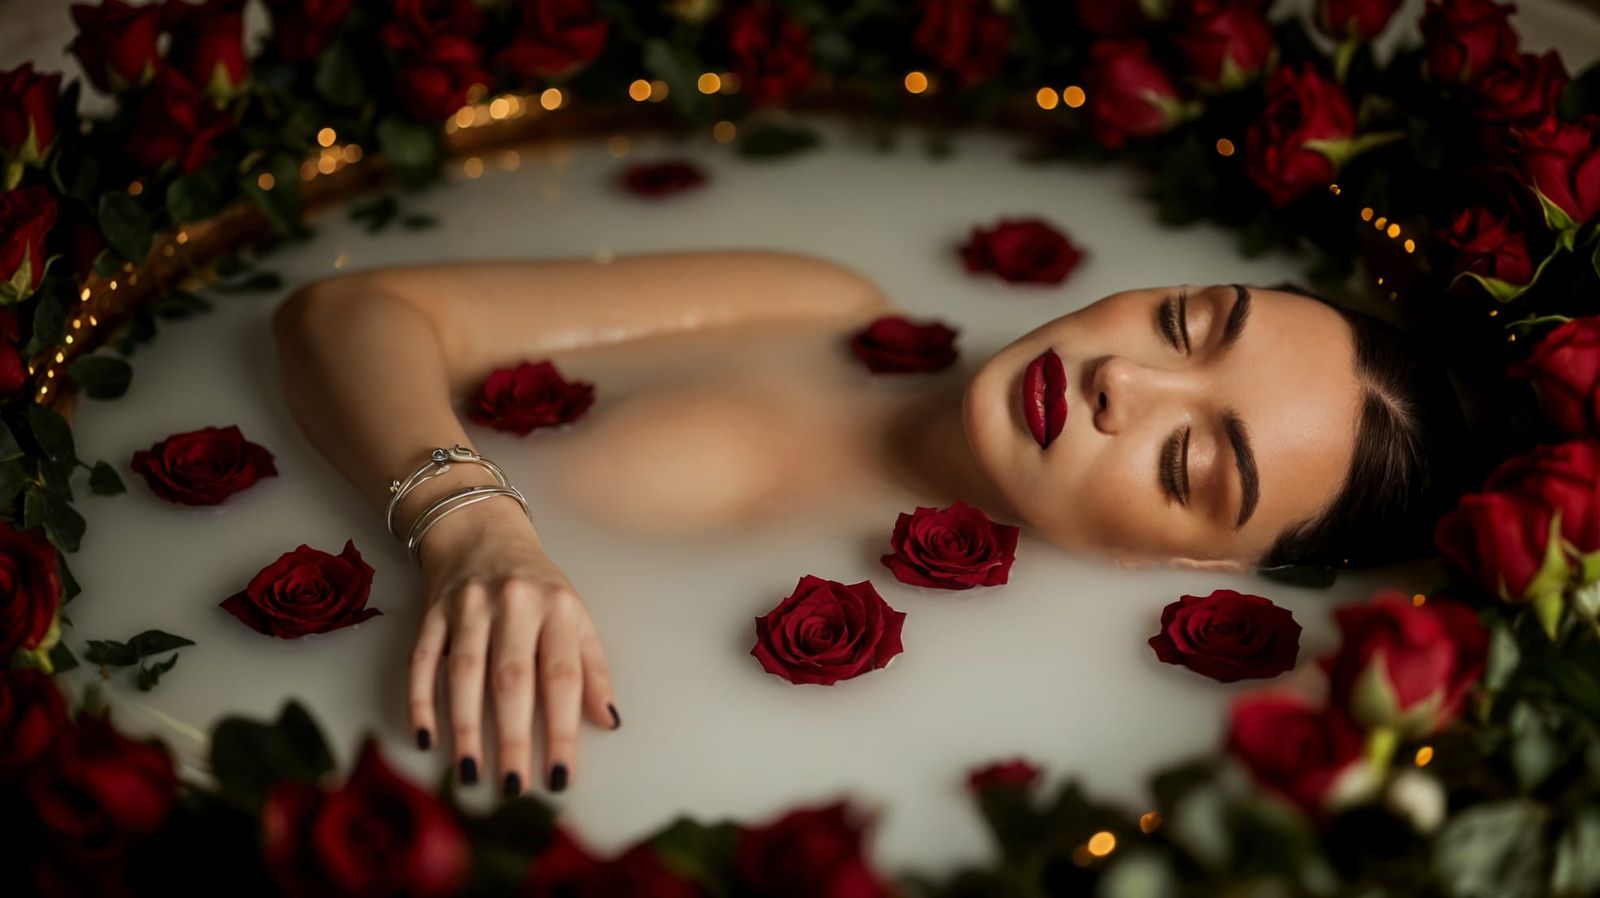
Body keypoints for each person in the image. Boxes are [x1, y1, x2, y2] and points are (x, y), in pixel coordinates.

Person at [269, 248, 1471, 799]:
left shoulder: (997, 717)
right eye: (1185, 325)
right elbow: (349, 309)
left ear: (1189, 564)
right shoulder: (822, 303)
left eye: (1190, 456)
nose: (1124, 385)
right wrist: (474, 528)